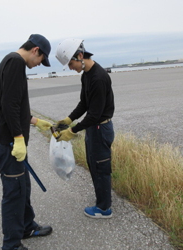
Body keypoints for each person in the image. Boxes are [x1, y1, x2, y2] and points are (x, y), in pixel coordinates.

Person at [0, 34, 53, 250]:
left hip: (10, 141)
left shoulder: (9, 61)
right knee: (14, 192)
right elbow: (9, 105)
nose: (38, 65)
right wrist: (18, 138)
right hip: (8, 143)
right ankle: (12, 245)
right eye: (41, 60)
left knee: (23, 186)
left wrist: (36, 121)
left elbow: (14, 105)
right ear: (35, 50)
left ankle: (27, 226)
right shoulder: (16, 63)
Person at [55, 38, 115, 219]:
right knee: (94, 165)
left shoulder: (98, 78)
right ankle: (101, 199)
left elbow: (94, 115)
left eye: (71, 63)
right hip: (93, 128)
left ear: (80, 56)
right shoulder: (86, 75)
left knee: (101, 167)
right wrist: (69, 119)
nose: (71, 67)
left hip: (101, 128)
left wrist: (72, 131)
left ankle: (104, 209)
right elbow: (84, 104)